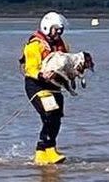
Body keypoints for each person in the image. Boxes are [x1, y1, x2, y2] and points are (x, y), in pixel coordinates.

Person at [20, 11, 71, 165]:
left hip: (54, 86)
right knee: (50, 113)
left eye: (61, 30)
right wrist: (42, 75)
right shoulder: (34, 46)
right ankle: (46, 148)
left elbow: (65, 61)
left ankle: (45, 151)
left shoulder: (61, 44)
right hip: (36, 85)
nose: (59, 33)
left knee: (56, 118)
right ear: (47, 27)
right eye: (57, 30)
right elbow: (30, 69)